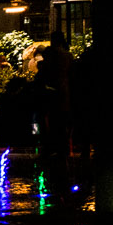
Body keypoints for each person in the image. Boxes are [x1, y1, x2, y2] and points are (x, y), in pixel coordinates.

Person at [36, 30, 74, 158]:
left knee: (51, 120)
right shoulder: (68, 56)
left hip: (51, 90)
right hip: (64, 90)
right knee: (63, 120)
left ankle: (51, 146)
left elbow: (44, 71)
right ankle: (63, 147)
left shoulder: (50, 54)